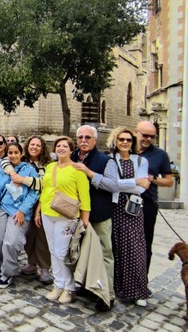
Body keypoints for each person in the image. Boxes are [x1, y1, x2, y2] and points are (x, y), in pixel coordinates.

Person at [70, 125, 120, 311]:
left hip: (99, 215)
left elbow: (114, 186)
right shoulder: (72, 156)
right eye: (80, 137)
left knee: (104, 254)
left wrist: (89, 173)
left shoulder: (106, 161)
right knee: (81, 252)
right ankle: (86, 285)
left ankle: (107, 295)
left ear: (95, 140)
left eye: (87, 137)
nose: (83, 140)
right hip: (76, 215)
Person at [38, 136, 90, 304]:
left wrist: (85, 220)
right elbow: (45, 190)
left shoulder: (77, 169)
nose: (61, 148)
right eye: (58, 146)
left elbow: (85, 197)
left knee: (62, 253)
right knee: (53, 251)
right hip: (47, 212)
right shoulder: (50, 167)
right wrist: (38, 211)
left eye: (65, 146)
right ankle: (58, 284)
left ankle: (70, 287)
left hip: (67, 217)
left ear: (71, 150)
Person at [108, 127, 151, 308]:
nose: (125, 143)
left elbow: (142, 188)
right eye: (121, 140)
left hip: (133, 210)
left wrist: (125, 184)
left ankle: (138, 291)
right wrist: (134, 181)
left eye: (128, 140)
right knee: (117, 248)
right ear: (115, 142)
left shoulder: (141, 160)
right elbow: (112, 185)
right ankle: (120, 288)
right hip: (115, 209)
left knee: (135, 250)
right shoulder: (111, 160)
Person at [0, 142, 39, 288]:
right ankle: (1, 265)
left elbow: (34, 193)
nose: (13, 155)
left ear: (21, 154)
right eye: (10, 153)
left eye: (16, 152)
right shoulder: (3, 170)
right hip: (2, 208)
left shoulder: (29, 170)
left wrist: (23, 210)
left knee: (11, 242)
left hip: (20, 211)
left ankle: (8, 273)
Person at [135, 121, 173, 273]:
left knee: (144, 243)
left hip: (147, 203)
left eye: (152, 136)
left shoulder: (160, 154)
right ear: (136, 132)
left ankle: (142, 281)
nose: (148, 139)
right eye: (145, 135)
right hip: (122, 202)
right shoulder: (125, 149)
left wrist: (153, 179)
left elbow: (169, 181)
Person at [19, 135, 53, 284]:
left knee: (42, 237)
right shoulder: (22, 162)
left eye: (38, 145)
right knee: (28, 236)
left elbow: (47, 187)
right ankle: (31, 263)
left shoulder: (48, 165)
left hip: (42, 204)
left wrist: (38, 210)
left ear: (42, 148)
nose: (34, 147)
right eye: (32, 144)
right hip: (25, 204)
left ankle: (44, 267)